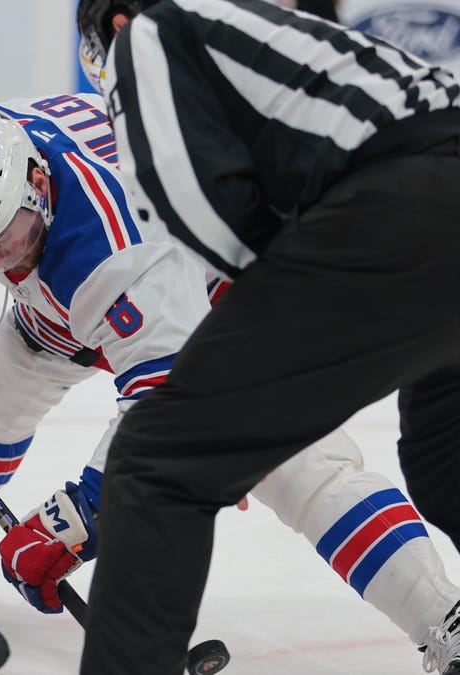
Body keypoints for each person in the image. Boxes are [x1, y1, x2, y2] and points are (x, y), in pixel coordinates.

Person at [0, 94, 460, 670]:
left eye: (7, 238)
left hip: (239, 299)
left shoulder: (114, 256)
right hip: (112, 296)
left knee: (302, 468)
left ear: (35, 183)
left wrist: (77, 521)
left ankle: (445, 618)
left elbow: (167, 415)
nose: (0, 261)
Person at [57, 0, 460, 672]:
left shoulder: (152, 34)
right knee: (446, 459)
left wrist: (238, 395)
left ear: (118, 24)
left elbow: (193, 199)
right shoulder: (274, 37)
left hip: (409, 206)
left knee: (157, 459)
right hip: (430, 183)